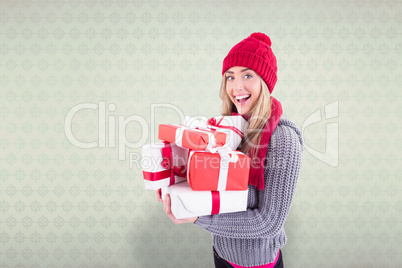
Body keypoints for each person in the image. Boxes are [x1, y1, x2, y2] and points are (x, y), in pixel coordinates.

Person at [157, 32, 303, 268]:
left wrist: (197, 217)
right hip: (221, 254)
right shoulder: (230, 130)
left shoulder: (283, 139)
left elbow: (268, 222)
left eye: (248, 75)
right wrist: (176, 187)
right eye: (230, 77)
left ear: (264, 82)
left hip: (257, 264)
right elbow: (219, 190)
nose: (237, 87)